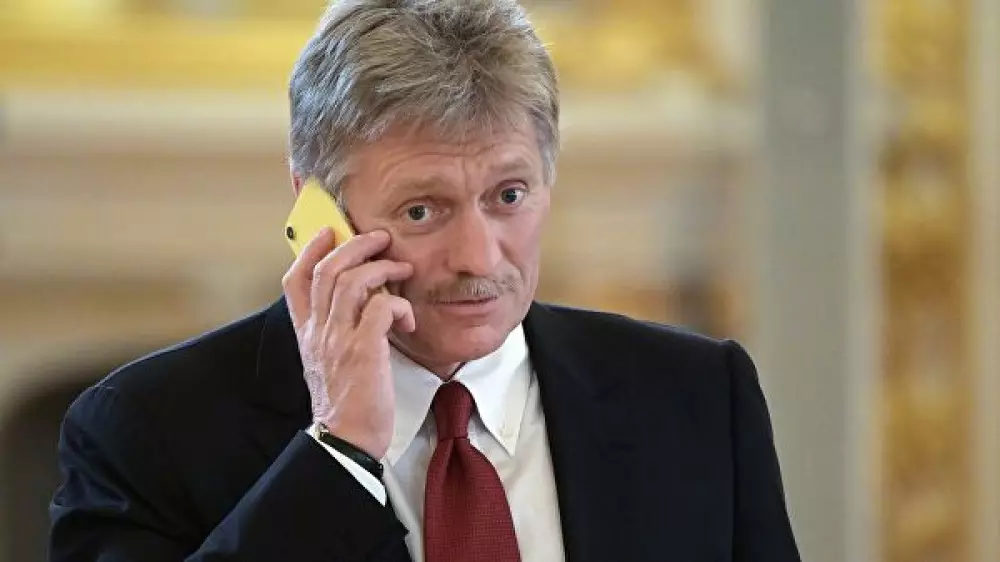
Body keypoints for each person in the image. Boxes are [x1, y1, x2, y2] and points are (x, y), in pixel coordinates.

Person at [48, 1, 801, 561]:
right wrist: (339, 452)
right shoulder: (143, 431)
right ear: (316, 208)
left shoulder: (698, 396)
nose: (478, 257)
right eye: (422, 209)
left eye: (509, 195)